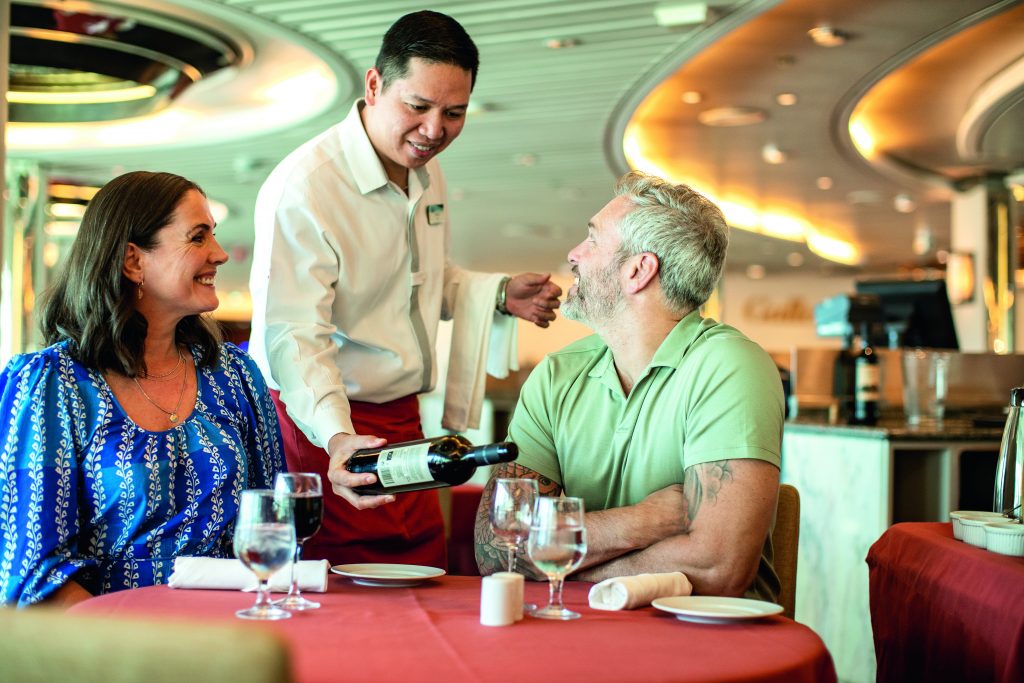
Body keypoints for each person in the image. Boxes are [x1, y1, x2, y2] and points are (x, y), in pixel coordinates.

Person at [249, 10, 561, 568]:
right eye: (418, 106)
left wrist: (498, 292)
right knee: (342, 581)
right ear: (374, 85)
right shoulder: (307, 187)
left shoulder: (426, 169)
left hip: (404, 419)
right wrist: (337, 438)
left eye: (454, 113)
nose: (435, 130)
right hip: (324, 420)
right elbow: (292, 334)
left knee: (423, 567)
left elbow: (420, 283)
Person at [474, 171, 784, 601]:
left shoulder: (729, 366)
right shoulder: (556, 374)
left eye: (592, 240)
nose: (573, 254)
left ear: (638, 270)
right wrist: (643, 520)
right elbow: (496, 548)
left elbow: (718, 567)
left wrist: (565, 571)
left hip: (702, 635)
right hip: (583, 628)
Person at [0, 171, 285, 608]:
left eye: (214, 234)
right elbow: (37, 574)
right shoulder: (51, 384)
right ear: (133, 261)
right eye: (198, 237)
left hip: (232, 629)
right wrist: (141, 644)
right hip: (109, 640)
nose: (220, 253)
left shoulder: (235, 374)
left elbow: (275, 526)